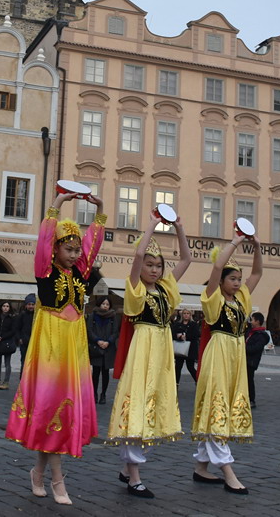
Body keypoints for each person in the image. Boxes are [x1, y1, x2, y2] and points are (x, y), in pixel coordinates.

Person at [5, 189, 105, 506]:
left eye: (77, 250)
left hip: (74, 342)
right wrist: (58, 204)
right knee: (51, 405)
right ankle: (57, 480)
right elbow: (44, 239)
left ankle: (40, 472)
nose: (75, 254)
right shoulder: (44, 271)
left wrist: (100, 210)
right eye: (69, 249)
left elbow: (93, 244)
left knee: (66, 405)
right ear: (57, 249)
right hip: (49, 342)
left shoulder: (80, 273)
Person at [106, 212, 190, 499]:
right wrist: (153, 225)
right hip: (144, 348)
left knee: (155, 405)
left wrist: (178, 227)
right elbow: (138, 254)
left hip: (162, 350)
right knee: (139, 405)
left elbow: (187, 260)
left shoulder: (166, 289)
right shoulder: (136, 289)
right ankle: (134, 476)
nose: (154, 270)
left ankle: (129, 469)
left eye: (158, 266)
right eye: (149, 265)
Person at [190, 232, 262, 494]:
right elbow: (218, 266)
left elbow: (257, 274)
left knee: (223, 405)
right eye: (232, 279)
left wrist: (256, 248)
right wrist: (236, 241)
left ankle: (201, 466)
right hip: (219, 351)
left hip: (235, 354)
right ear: (220, 281)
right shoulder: (214, 299)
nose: (237, 283)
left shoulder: (240, 300)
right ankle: (227, 469)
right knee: (217, 407)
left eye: (238, 280)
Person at [87, 296, 117, 404]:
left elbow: (115, 332)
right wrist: (98, 340)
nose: (105, 306)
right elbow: (89, 330)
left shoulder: (113, 317)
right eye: (103, 304)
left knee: (105, 373)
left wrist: (108, 341)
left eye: (107, 304)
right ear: (99, 304)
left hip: (108, 348)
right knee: (95, 373)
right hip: (96, 347)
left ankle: (103, 394)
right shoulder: (93, 316)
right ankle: (94, 393)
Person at [0, 300, 18, 389]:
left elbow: (13, 331)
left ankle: (6, 382)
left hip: (7, 343)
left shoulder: (12, 318)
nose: (5, 308)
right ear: (1, 307)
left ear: (9, 308)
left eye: (7, 306)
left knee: (7, 363)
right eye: (4, 306)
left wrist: (2, 337)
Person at [245, 312, 269, 408]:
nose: (251, 322)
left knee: (249, 380)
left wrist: (244, 347)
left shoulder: (261, 336)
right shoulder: (251, 332)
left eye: (253, 320)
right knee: (245, 380)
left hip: (251, 361)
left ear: (258, 322)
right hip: (245, 359)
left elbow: (255, 348)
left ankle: (251, 399)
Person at [171, 308, 199, 385]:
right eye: (184, 313)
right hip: (180, 348)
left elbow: (196, 335)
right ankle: (176, 383)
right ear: (182, 315)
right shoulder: (177, 324)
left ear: (190, 315)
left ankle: (198, 381)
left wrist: (185, 336)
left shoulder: (194, 324)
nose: (186, 315)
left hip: (190, 349)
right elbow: (173, 334)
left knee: (190, 367)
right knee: (178, 367)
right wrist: (178, 336)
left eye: (188, 313)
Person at [17, 294, 35, 371]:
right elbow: (17, 328)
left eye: (32, 304)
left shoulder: (37, 315)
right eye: (29, 304)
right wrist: (19, 338)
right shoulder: (22, 315)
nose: (31, 306)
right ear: (26, 305)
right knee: (24, 362)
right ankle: (22, 380)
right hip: (24, 342)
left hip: (34, 342)